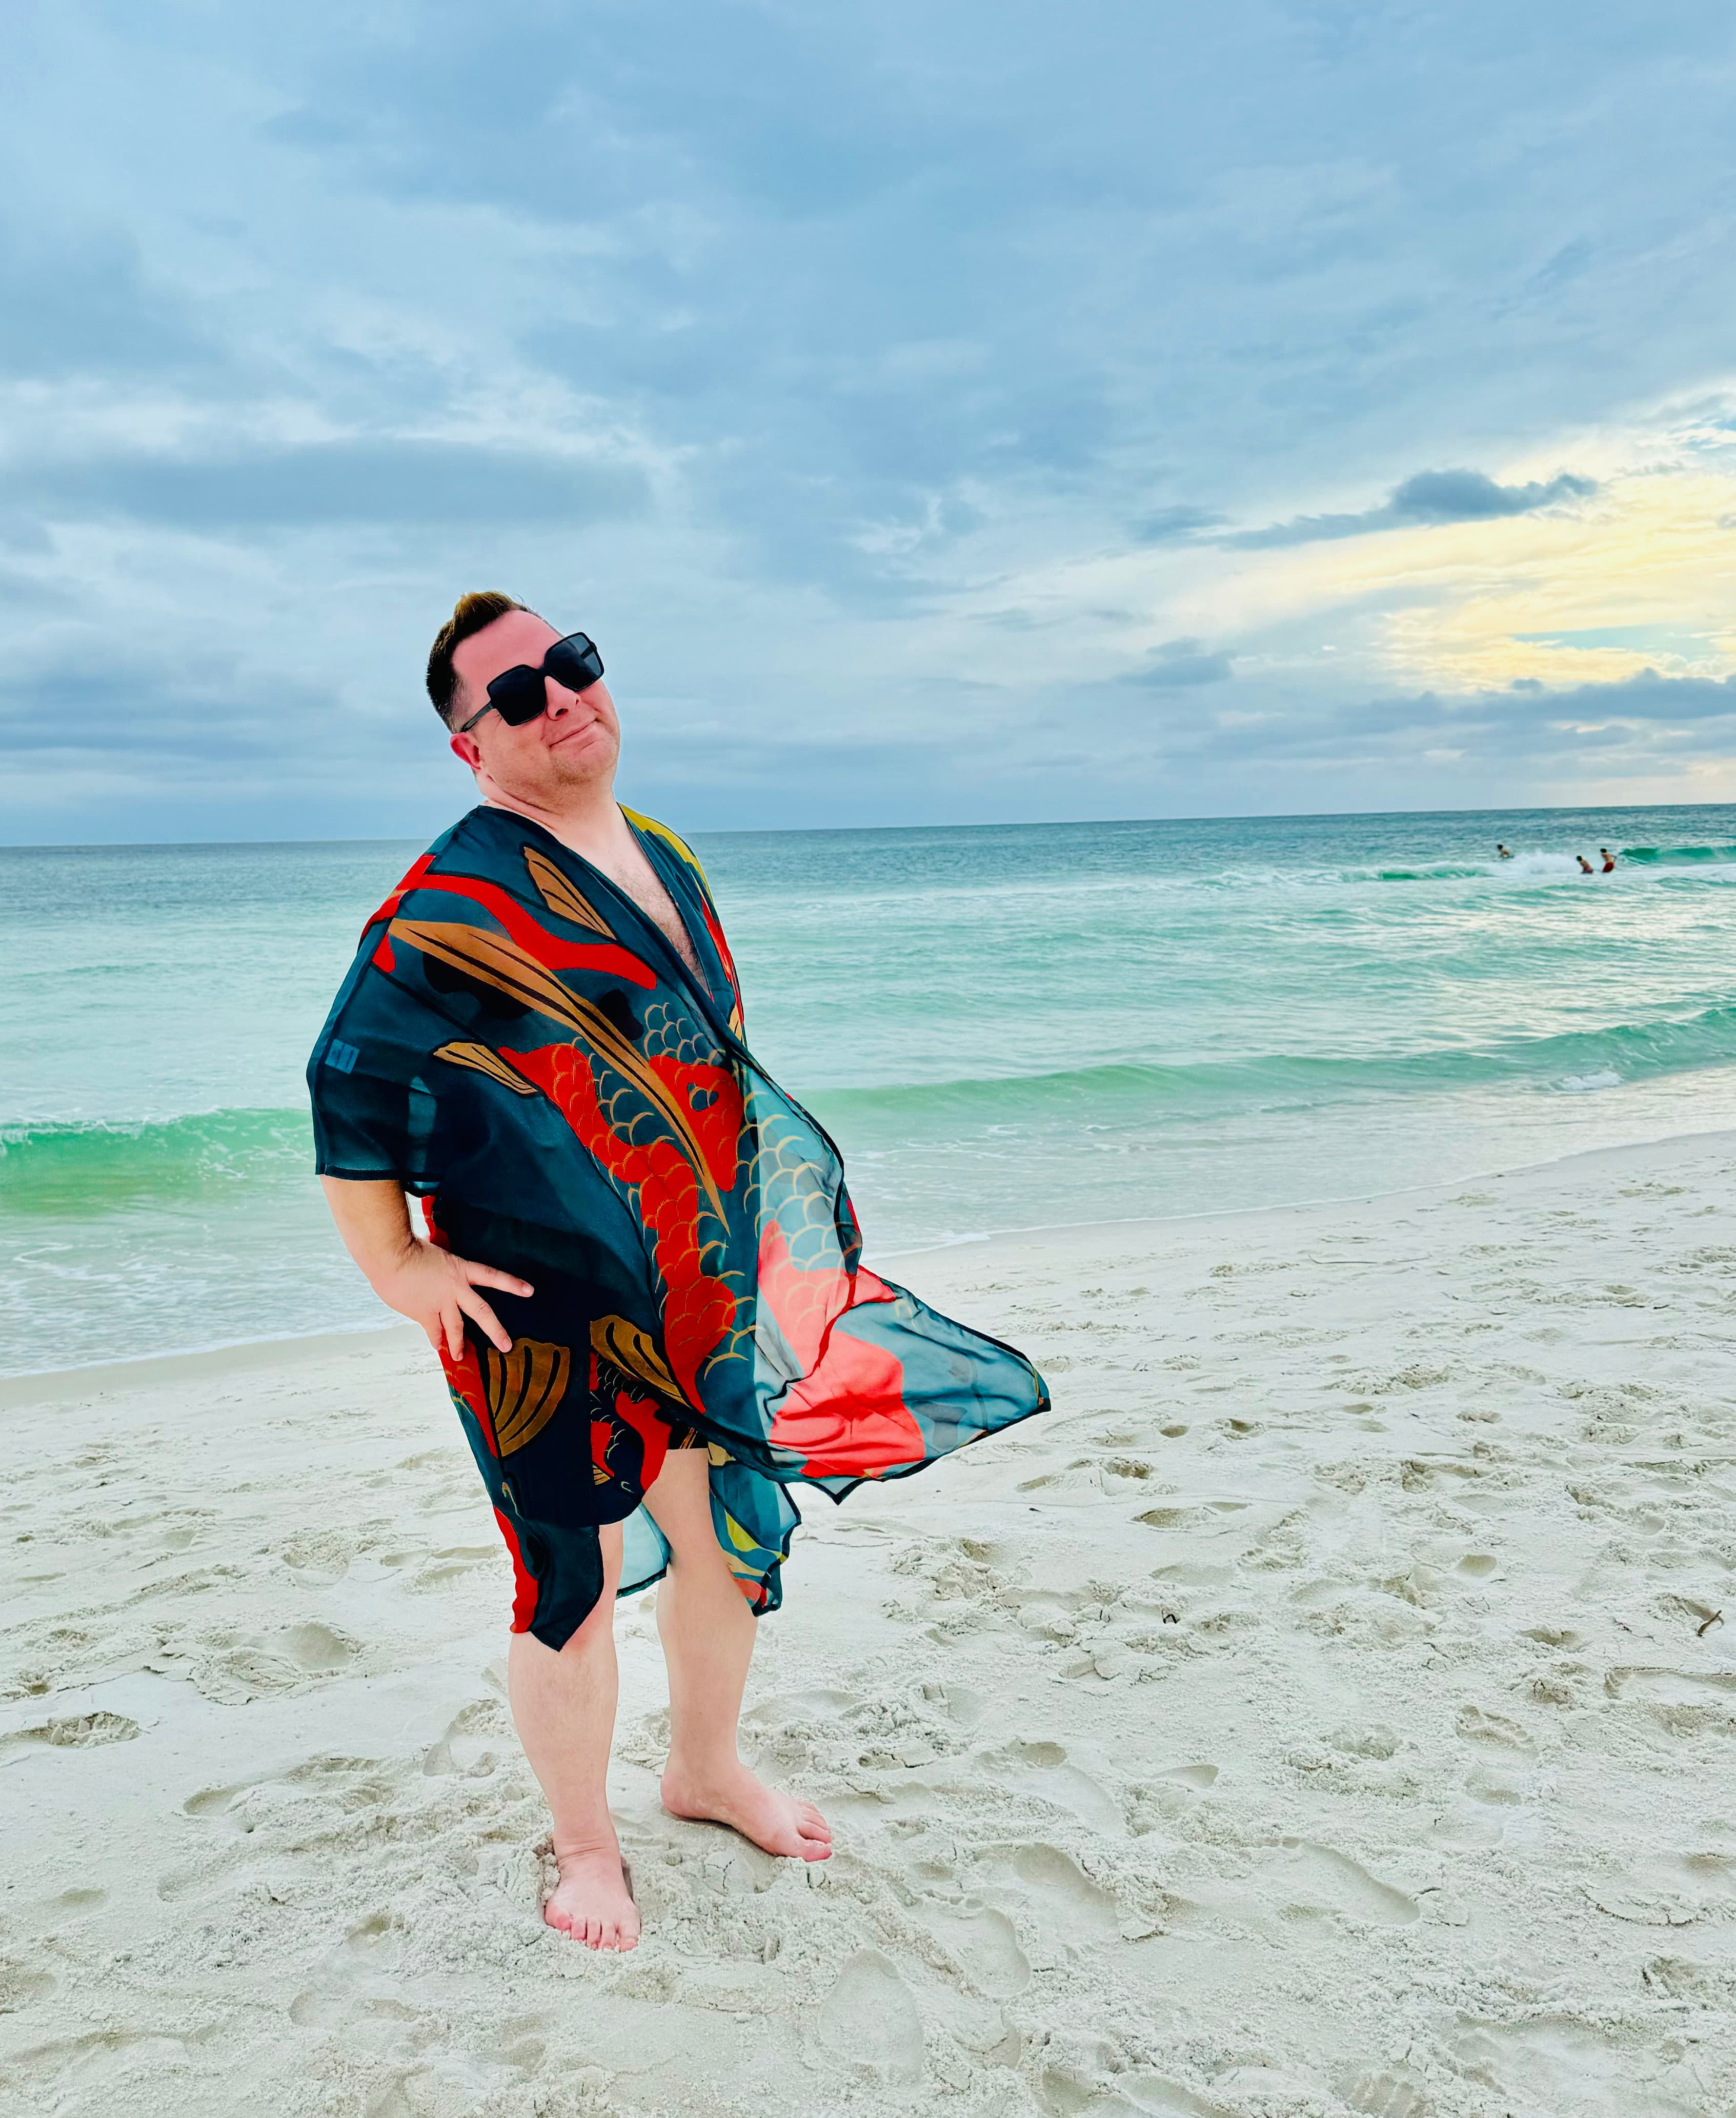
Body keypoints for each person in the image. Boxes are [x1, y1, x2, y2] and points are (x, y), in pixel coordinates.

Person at [308, 592, 1047, 1953]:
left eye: (570, 663)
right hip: (532, 1310)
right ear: (473, 747)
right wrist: (399, 1269)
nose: (562, 696)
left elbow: (694, 1067)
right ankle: (585, 1843)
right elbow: (345, 1080)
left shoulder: (661, 852)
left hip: (693, 1287)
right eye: (517, 693)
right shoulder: (447, 904)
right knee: (566, 1579)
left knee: (725, 1541)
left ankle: (703, 1769)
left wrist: (758, 1233)